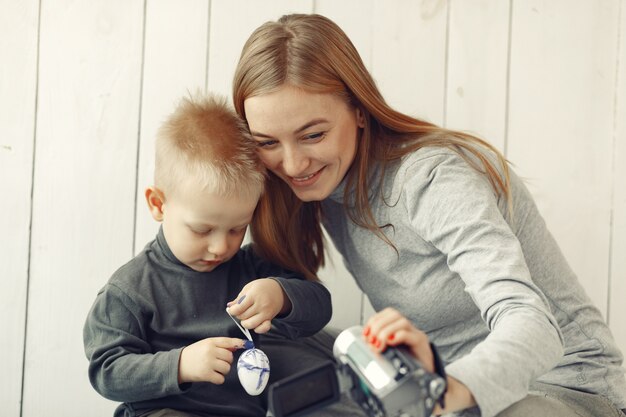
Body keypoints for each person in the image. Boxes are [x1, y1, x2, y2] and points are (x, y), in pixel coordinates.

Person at [232, 13, 626, 417]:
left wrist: (444, 387)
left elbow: (533, 323)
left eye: (313, 135)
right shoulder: (323, 188)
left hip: (563, 390)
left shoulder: (431, 178)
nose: (294, 164)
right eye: (267, 142)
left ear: (360, 111)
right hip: (438, 396)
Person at [83, 93, 333, 417]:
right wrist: (181, 365)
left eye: (236, 229)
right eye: (202, 230)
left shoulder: (250, 269)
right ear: (159, 205)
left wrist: (280, 295)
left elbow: (320, 306)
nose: (220, 247)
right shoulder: (131, 289)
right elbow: (107, 372)